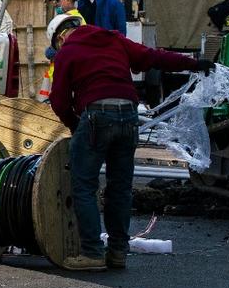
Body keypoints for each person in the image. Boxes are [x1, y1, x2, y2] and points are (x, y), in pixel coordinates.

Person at [47, 15, 212, 271]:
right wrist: (195, 63)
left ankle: (91, 253)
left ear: (60, 37)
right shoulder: (114, 40)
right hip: (128, 115)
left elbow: (58, 100)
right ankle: (117, 253)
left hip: (96, 116)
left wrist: (74, 124)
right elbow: (154, 57)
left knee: (84, 186)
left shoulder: (68, 51)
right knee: (120, 188)